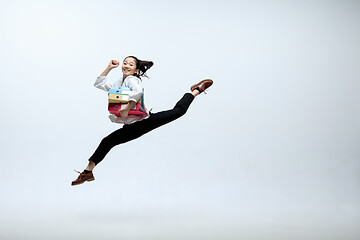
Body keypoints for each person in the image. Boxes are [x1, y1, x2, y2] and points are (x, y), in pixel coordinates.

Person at [71, 56, 213, 186]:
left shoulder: (132, 80)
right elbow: (99, 84)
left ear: (136, 70)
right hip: (131, 127)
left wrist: (127, 109)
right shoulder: (119, 82)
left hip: (145, 122)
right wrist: (109, 67)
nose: (126, 65)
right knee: (107, 142)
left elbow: (138, 92)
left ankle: (195, 90)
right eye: (125, 63)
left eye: (131, 64)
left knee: (178, 111)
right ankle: (87, 173)